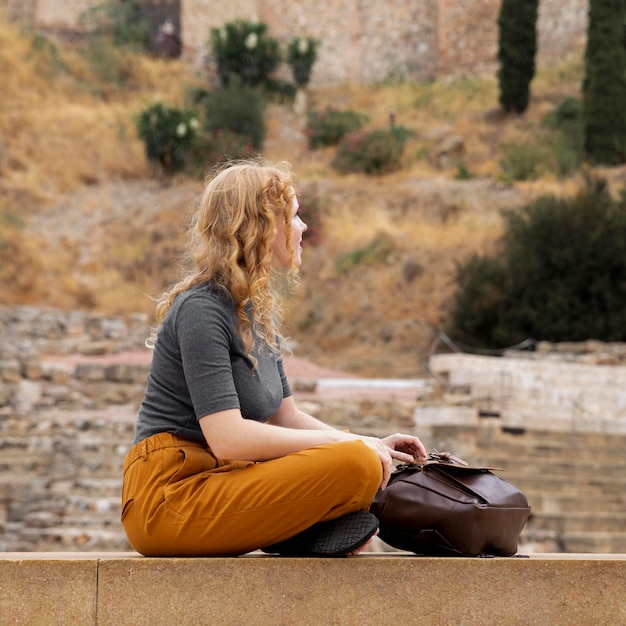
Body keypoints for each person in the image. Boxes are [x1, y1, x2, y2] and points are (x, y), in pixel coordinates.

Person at [121, 158, 427, 557]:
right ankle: (298, 528)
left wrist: (367, 441)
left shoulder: (255, 313)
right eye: (295, 217)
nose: (302, 229)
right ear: (262, 227)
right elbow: (228, 439)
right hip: (169, 498)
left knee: (362, 463)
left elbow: (288, 418)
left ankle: (296, 529)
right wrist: (350, 449)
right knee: (357, 465)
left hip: (228, 483)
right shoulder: (201, 309)